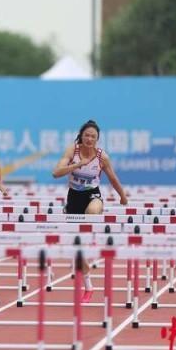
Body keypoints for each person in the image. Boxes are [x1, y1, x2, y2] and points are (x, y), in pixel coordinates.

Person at [52, 119, 128, 302]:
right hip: (73, 198)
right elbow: (56, 173)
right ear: (81, 136)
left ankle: (92, 239)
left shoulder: (102, 157)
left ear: (97, 139)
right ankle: (89, 287)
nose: (90, 139)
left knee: (93, 211)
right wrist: (77, 165)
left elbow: (113, 178)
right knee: (77, 254)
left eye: (93, 136)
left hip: (93, 195)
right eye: (87, 135)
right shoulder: (73, 151)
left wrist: (122, 196)